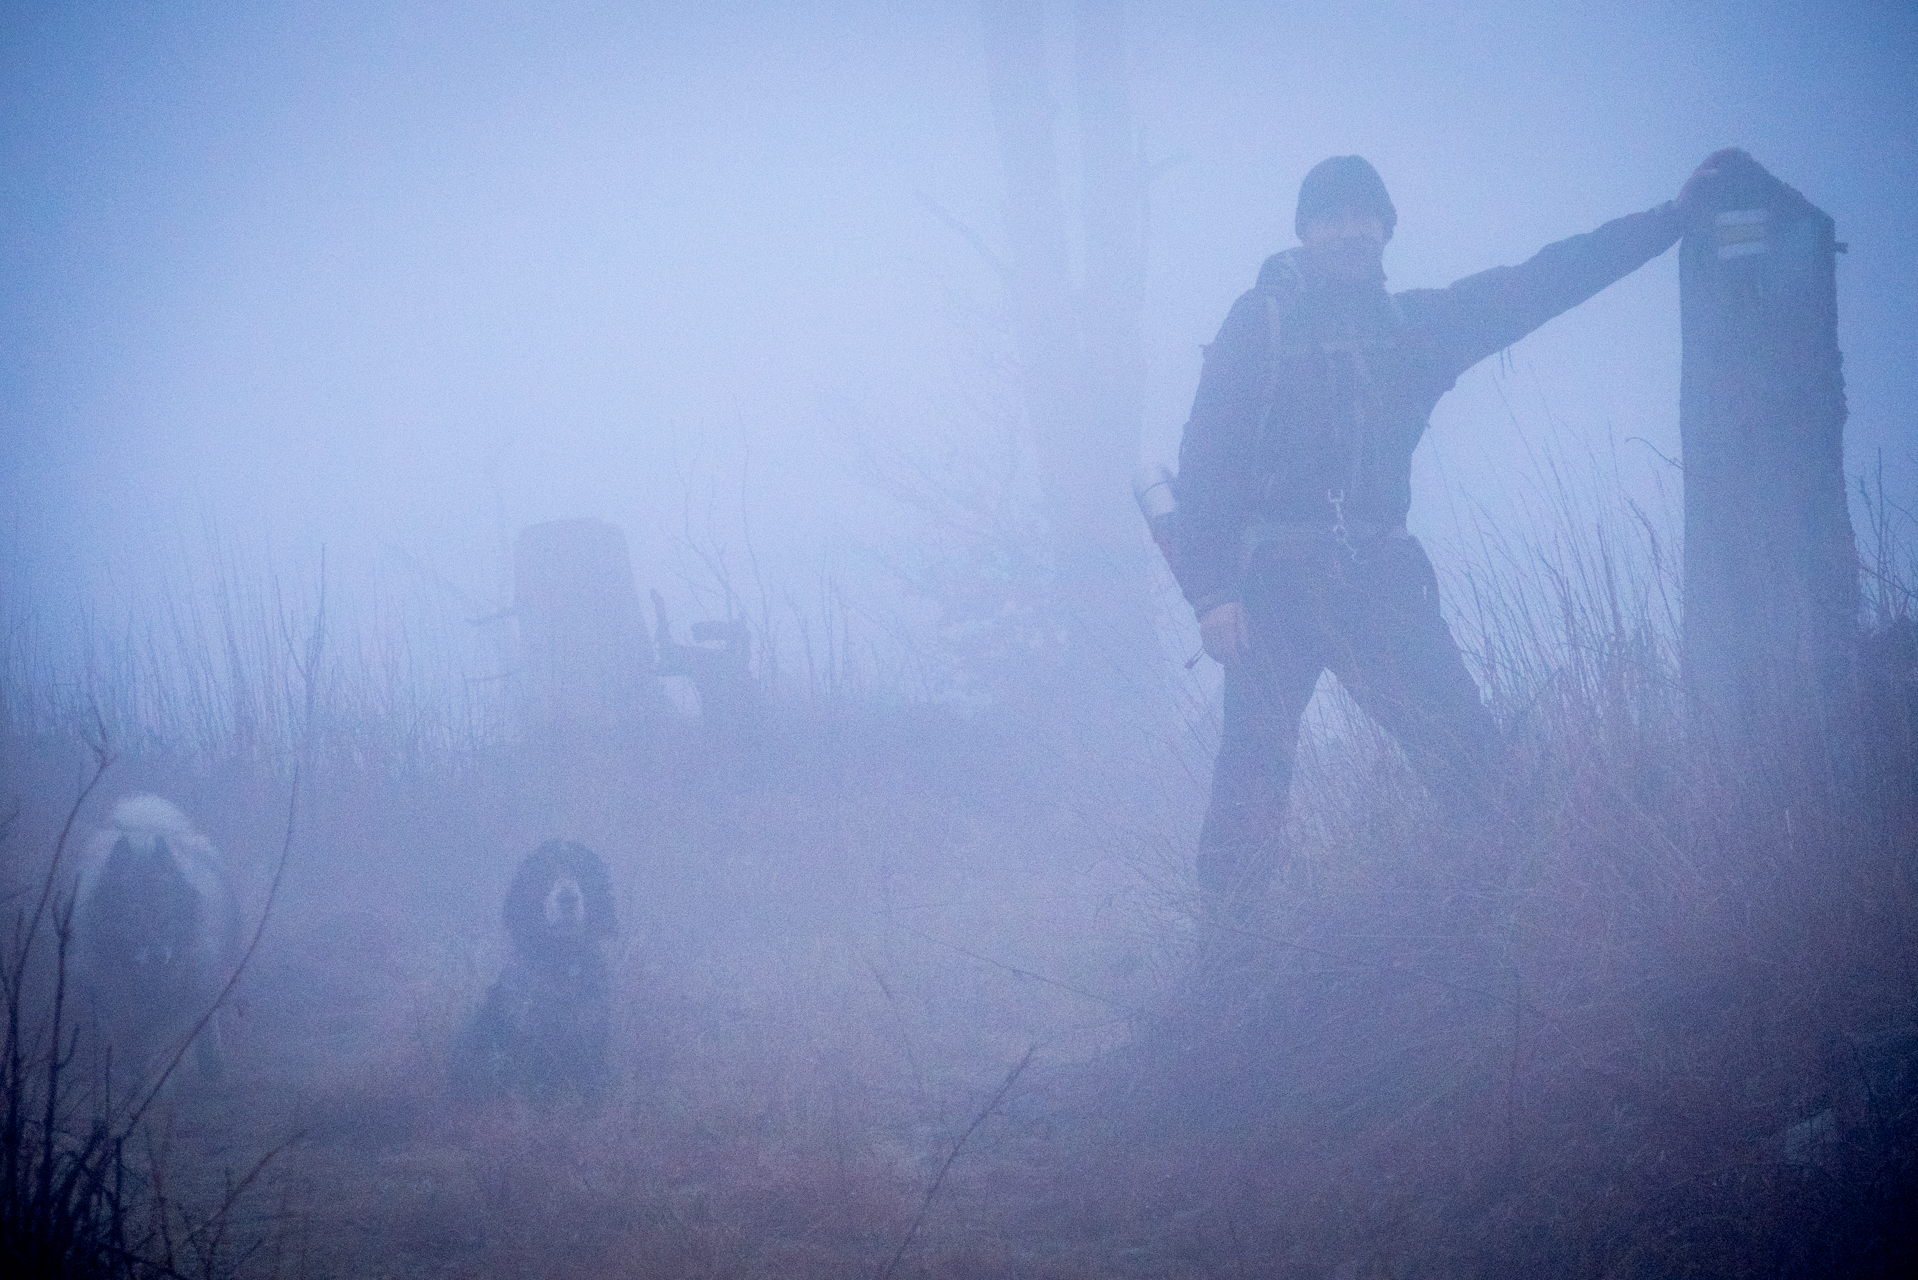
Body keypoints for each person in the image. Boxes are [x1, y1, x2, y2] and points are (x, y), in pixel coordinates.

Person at [1176, 149, 1741, 920]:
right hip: (1274, 579)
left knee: (1468, 755)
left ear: (1385, 229)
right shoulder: (1260, 322)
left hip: (1377, 573)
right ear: (1306, 230)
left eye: (1363, 215)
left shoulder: (1415, 328)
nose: (1349, 231)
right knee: (1250, 776)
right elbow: (1205, 456)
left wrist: (1670, 222)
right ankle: (1228, 966)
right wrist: (1211, 596)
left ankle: (1521, 920)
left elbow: (1535, 285)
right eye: (1331, 217)